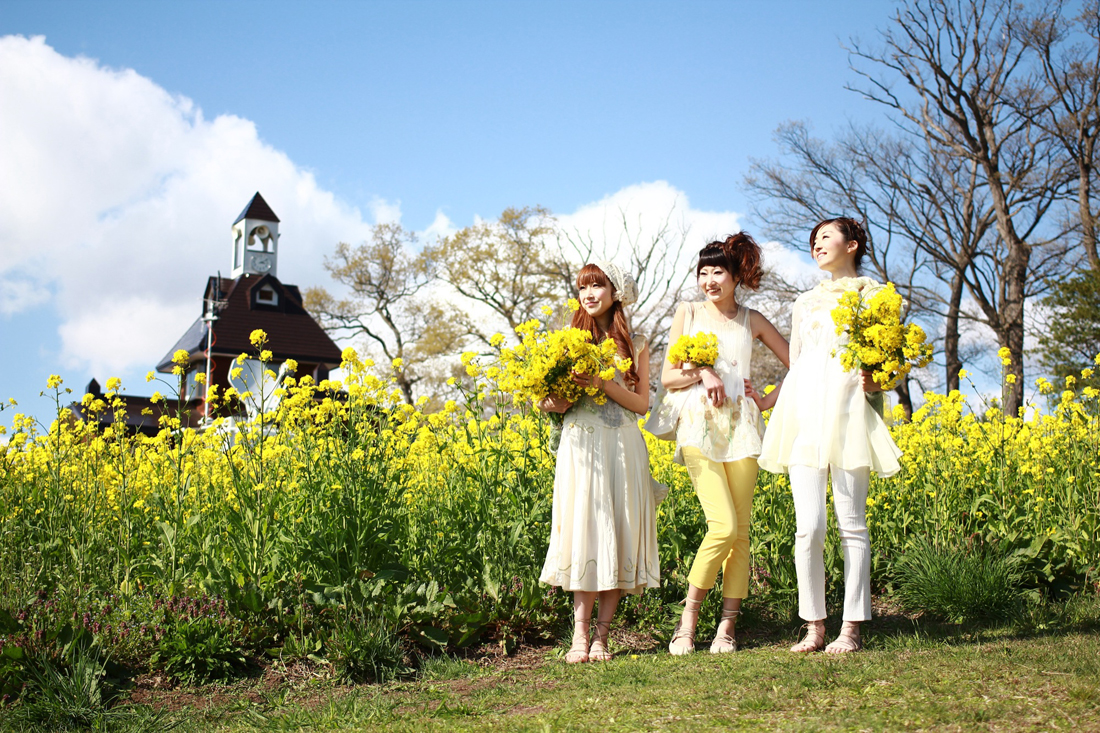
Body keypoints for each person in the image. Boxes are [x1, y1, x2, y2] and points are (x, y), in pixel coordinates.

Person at [758, 217, 902, 654]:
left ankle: (852, 627)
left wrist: (878, 383)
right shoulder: (804, 302)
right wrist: (768, 402)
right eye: (813, 240)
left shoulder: (877, 295)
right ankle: (814, 626)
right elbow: (796, 364)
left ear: (852, 244)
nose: (817, 244)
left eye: (826, 236)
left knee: (851, 524)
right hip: (804, 415)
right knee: (809, 528)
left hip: (849, 413)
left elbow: (889, 364)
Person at [647, 233, 789, 655]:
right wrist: (702, 372)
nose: (709, 280)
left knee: (740, 534)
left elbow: (799, 365)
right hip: (699, 428)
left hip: (744, 429)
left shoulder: (753, 319)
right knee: (722, 526)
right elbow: (668, 377)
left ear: (735, 276)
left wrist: (765, 399)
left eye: (718, 272)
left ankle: (727, 627)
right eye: (703, 272)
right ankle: (687, 621)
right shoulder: (688, 312)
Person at [538, 262, 660, 663]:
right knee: (584, 532)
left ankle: (602, 638)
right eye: (582, 287)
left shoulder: (637, 344)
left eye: (597, 286)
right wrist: (563, 396)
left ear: (615, 292)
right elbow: (544, 403)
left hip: (623, 445)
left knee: (618, 533)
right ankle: (578, 636)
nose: (588, 294)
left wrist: (603, 384)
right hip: (580, 446)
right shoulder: (566, 341)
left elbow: (641, 405)